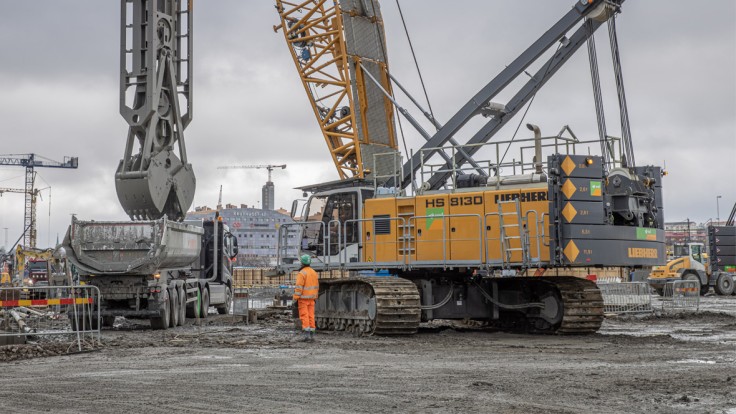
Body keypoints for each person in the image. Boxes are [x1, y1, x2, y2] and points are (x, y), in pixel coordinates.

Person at [293, 254, 319, 342]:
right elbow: (316, 286)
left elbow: (299, 287)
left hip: (303, 299)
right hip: (312, 299)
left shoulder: (302, 273)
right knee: (311, 316)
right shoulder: (314, 272)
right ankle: (312, 335)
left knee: (304, 316)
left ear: (302, 263)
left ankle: (307, 336)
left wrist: (295, 298)